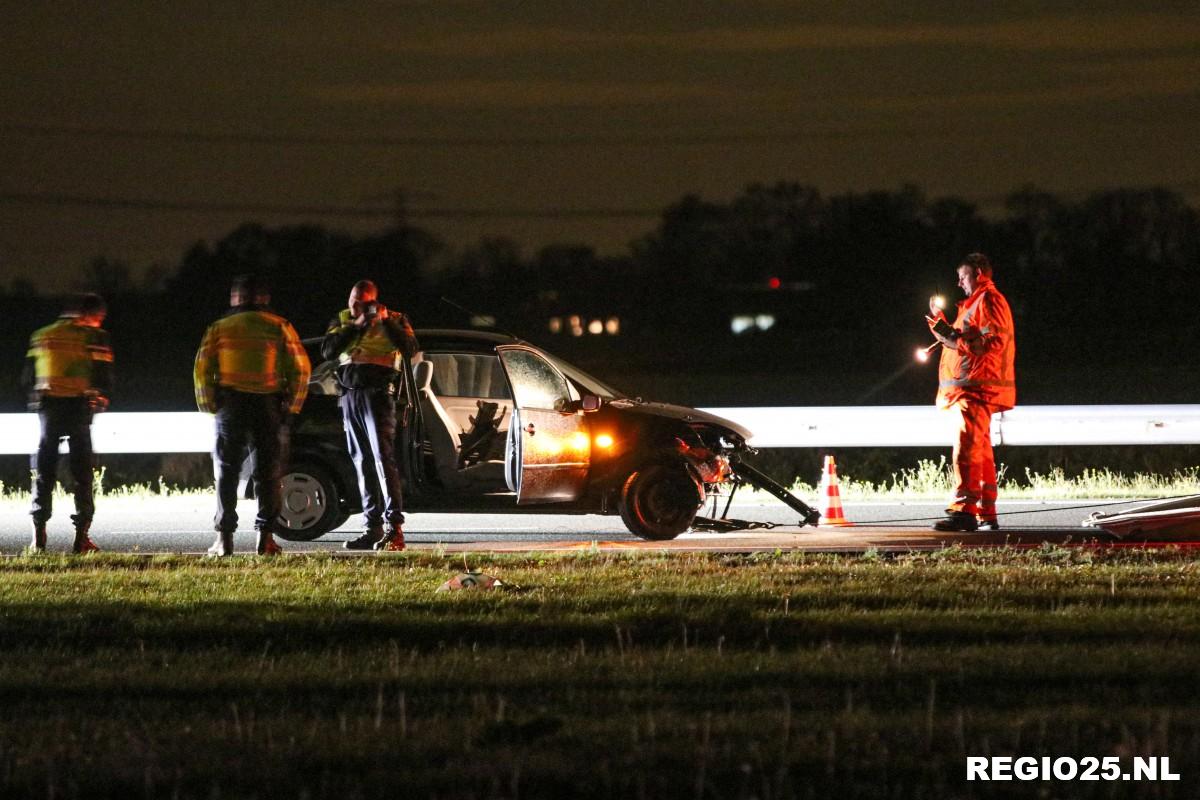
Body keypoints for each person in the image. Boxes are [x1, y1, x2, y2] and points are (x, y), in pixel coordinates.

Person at [194, 274, 311, 556]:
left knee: (227, 472)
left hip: (230, 405)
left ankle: (224, 540)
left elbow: (201, 369)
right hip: (268, 406)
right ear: (264, 299)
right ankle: (266, 539)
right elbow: (302, 369)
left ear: (236, 298)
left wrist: (209, 404)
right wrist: (291, 407)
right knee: (268, 473)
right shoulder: (280, 326)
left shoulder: (220, 327)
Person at [322, 279, 419, 551]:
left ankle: (394, 530)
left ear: (373, 302)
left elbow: (410, 349)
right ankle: (372, 528)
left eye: (361, 304)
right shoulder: (343, 320)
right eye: (352, 303)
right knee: (362, 462)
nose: (355, 308)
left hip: (378, 396)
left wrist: (386, 322)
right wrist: (356, 326)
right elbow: (328, 351)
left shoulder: (397, 320)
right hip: (350, 396)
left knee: (382, 460)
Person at [926, 253, 1016, 532]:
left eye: (963, 276)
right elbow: (964, 339)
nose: (959, 282)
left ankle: (964, 510)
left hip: (977, 387)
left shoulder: (989, 300)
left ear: (978, 273)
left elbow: (990, 342)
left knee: (967, 450)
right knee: (980, 452)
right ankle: (985, 512)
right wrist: (943, 328)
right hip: (973, 387)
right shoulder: (975, 304)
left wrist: (952, 338)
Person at [23, 293, 112, 553]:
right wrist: (101, 400)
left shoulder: (42, 335)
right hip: (78, 409)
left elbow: (27, 377)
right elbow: (104, 376)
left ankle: (38, 538)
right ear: (90, 314)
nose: (99, 323)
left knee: (43, 473)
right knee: (83, 475)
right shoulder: (95, 337)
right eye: (99, 318)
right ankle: (81, 538)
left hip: (48, 409)